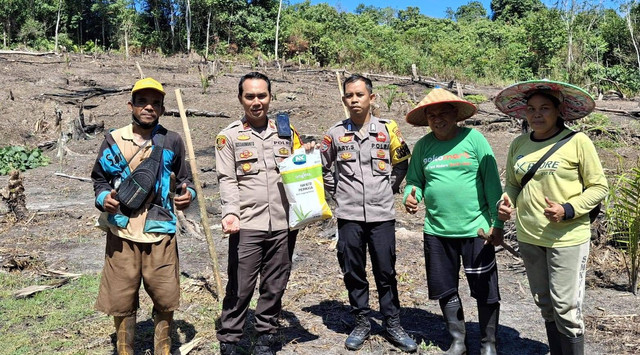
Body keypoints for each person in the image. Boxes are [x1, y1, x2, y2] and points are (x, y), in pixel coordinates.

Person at [494, 80, 608, 355]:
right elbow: (513, 183)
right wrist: (506, 200)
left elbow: (599, 187)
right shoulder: (519, 143)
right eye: (531, 109)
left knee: (566, 308)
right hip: (529, 235)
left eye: (545, 108)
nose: (537, 114)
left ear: (559, 111)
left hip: (567, 237)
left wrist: (567, 209)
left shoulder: (577, 141)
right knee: (544, 302)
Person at [91, 77, 196, 355]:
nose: (148, 107)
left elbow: (186, 181)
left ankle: (162, 349)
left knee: (165, 296)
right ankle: (125, 351)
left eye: (155, 103)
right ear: (131, 105)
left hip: (159, 231)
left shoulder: (172, 141)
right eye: (142, 102)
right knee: (121, 297)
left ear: (161, 109)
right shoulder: (113, 140)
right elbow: (99, 180)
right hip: (121, 231)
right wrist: (105, 199)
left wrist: (188, 196)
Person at [402, 88, 504, 355]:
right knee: (445, 288)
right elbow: (414, 181)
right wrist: (410, 196)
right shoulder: (423, 146)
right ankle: (457, 340)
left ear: (456, 114)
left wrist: (498, 225)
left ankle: (488, 343)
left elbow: (492, 184)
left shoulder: (474, 139)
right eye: (431, 115)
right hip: (437, 231)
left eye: (443, 113)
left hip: (476, 229)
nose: (437, 119)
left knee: (485, 289)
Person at [320, 74, 417, 353]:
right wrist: (337, 191)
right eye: (349, 95)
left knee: (385, 271)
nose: (354, 100)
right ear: (344, 100)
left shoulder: (389, 129)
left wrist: (387, 188)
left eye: (359, 95)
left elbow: (401, 163)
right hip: (349, 215)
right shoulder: (335, 133)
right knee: (353, 270)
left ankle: (392, 323)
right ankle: (361, 321)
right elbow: (323, 166)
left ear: (371, 98)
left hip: (382, 215)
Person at [215, 72, 304, 355]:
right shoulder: (228, 137)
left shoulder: (287, 133)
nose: (257, 102)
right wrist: (231, 213)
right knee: (241, 286)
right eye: (250, 96)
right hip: (247, 223)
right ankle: (230, 339)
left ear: (270, 97)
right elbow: (227, 179)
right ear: (240, 99)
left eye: (262, 96)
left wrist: (309, 155)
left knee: (275, 284)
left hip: (283, 222)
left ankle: (266, 336)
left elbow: (301, 168)